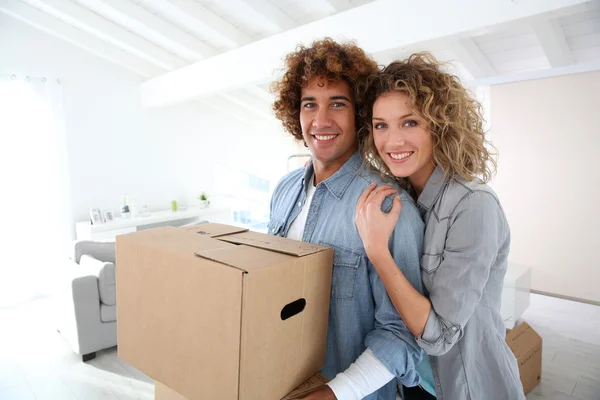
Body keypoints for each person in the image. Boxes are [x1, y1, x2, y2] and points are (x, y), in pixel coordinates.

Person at [354, 53, 525, 400]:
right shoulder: (397, 198)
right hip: (412, 384)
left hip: (467, 388)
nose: (393, 141)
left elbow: (439, 335)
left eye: (410, 122)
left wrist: (377, 252)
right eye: (381, 125)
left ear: (440, 124)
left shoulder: (474, 205)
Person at [269, 38, 426, 400]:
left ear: (360, 114)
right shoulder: (285, 189)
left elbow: (402, 336)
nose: (321, 120)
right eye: (310, 104)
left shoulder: (388, 205)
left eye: (337, 104)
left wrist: (332, 394)